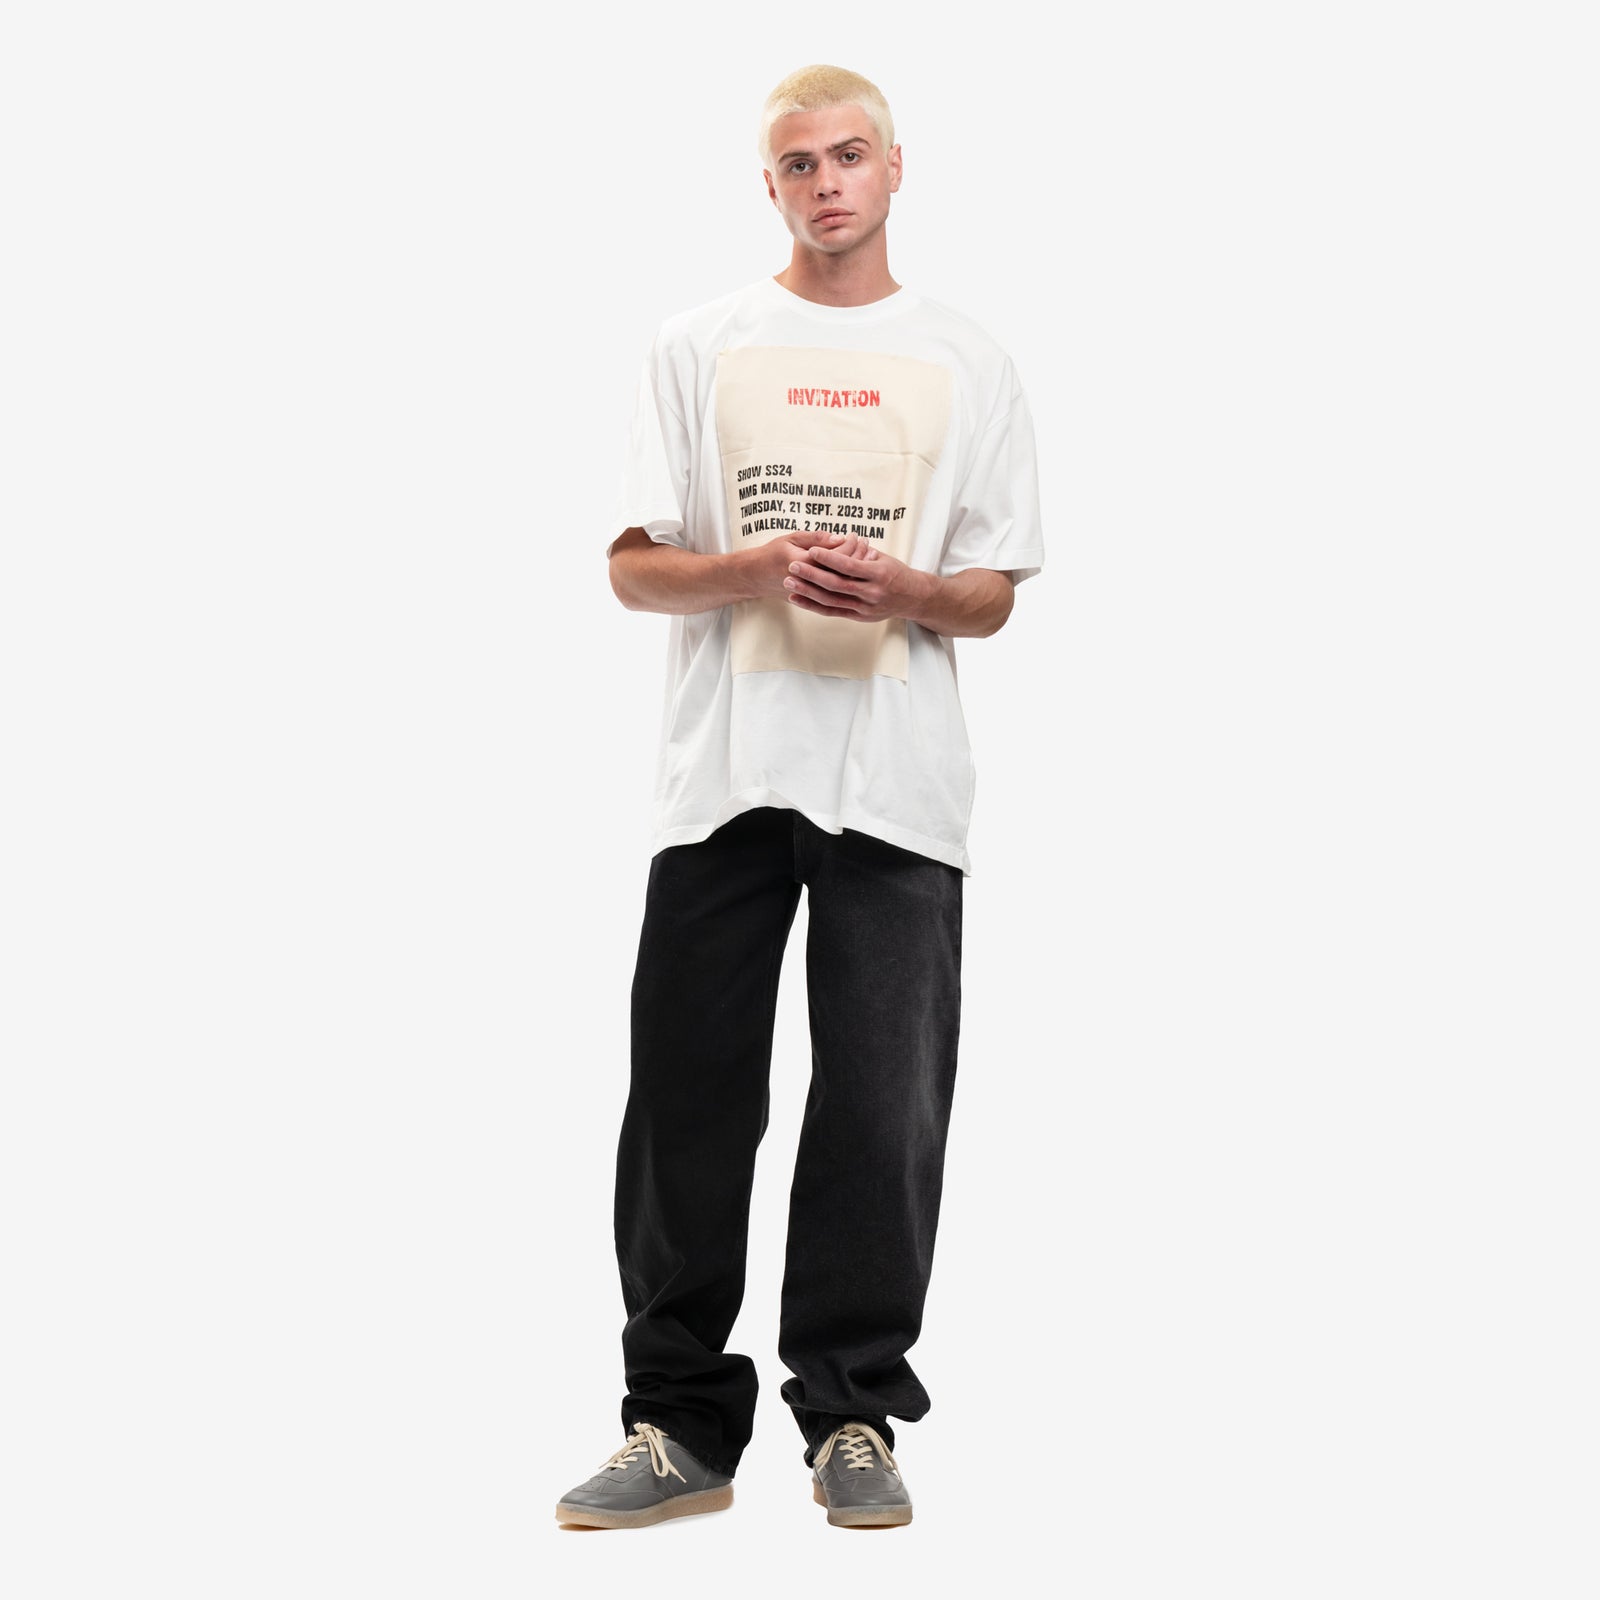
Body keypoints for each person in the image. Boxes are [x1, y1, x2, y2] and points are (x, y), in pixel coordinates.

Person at [555, 63, 1045, 1531]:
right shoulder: (698, 346)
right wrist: (749, 570)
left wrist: (909, 592)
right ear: (766, 184)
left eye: (849, 156)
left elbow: (992, 593)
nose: (827, 183)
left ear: (896, 167)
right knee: (686, 1103)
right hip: (723, 777)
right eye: (797, 164)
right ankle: (676, 1424)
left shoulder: (969, 359)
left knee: (883, 1108)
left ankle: (852, 1414)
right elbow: (633, 567)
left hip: (898, 783)